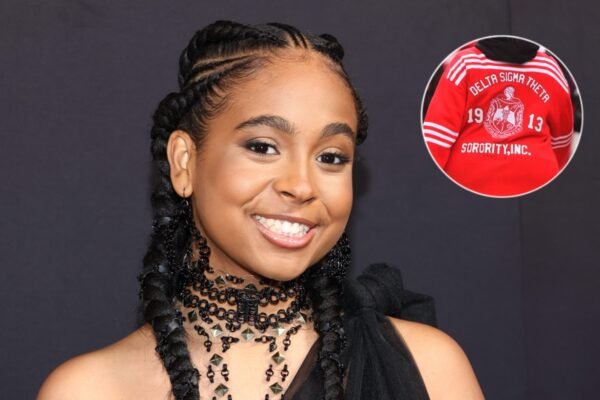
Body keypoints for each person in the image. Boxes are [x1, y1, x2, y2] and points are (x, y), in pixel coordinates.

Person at [37, 20, 484, 400]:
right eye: (263, 147)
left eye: (331, 157)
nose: (302, 186)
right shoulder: (90, 390)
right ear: (184, 162)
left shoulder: (430, 367)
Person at [423, 36, 574, 197]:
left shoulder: (465, 62)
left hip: (468, 179)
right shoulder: (549, 69)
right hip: (536, 178)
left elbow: (436, 137)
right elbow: (562, 140)